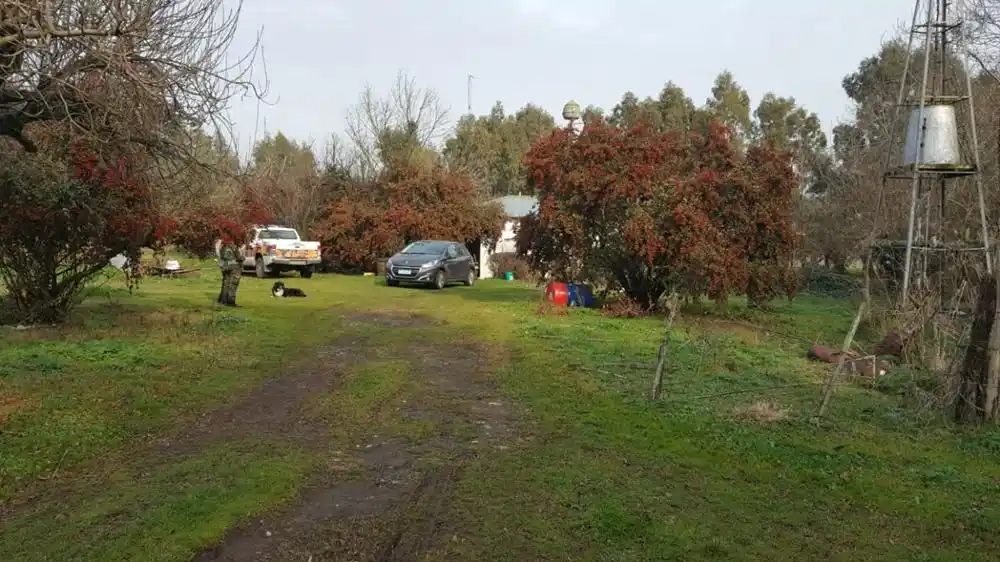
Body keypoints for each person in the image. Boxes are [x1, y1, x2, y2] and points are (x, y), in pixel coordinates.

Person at [217, 235, 242, 306]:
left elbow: (220, 255)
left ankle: (222, 300)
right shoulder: (233, 245)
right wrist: (243, 258)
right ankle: (230, 301)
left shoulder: (222, 245)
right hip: (233, 265)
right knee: (233, 283)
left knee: (226, 283)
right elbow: (239, 257)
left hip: (224, 266)